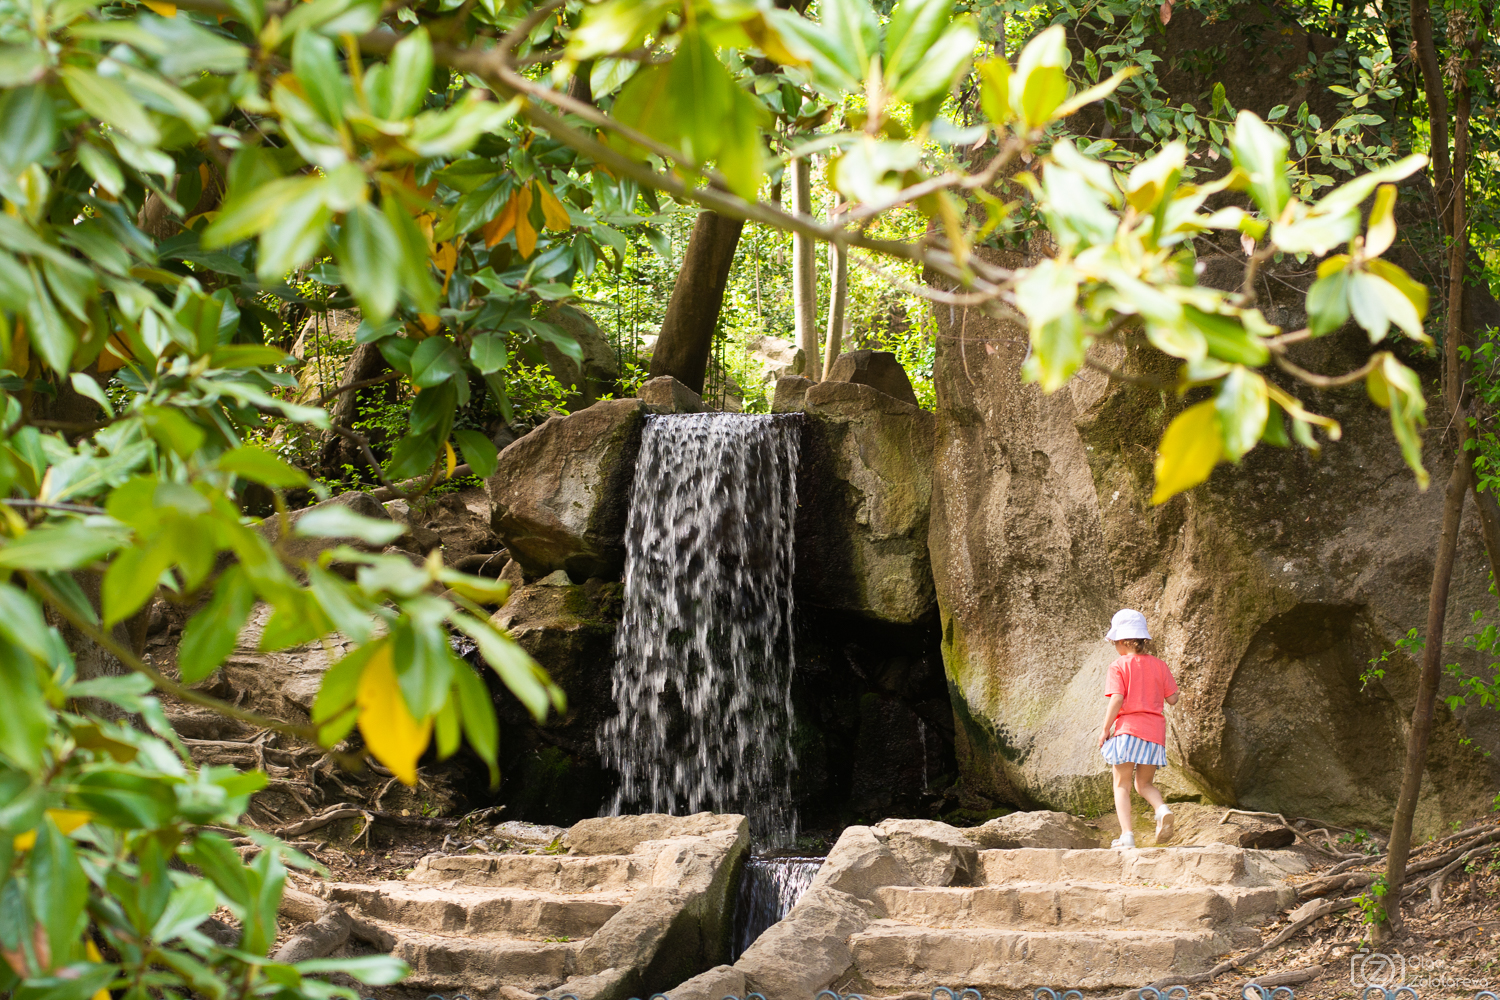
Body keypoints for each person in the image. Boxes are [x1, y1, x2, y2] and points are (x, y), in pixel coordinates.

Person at [1098, 609, 1179, 849]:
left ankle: (1127, 837)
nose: (1115, 647)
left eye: (1115, 643)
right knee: (1144, 785)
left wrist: (1105, 729)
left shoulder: (1118, 666)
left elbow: (1117, 698)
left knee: (1121, 784)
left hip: (1128, 730)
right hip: (1154, 734)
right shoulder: (1160, 665)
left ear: (1123, 641)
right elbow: (1173, 699)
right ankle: (1162, 809)